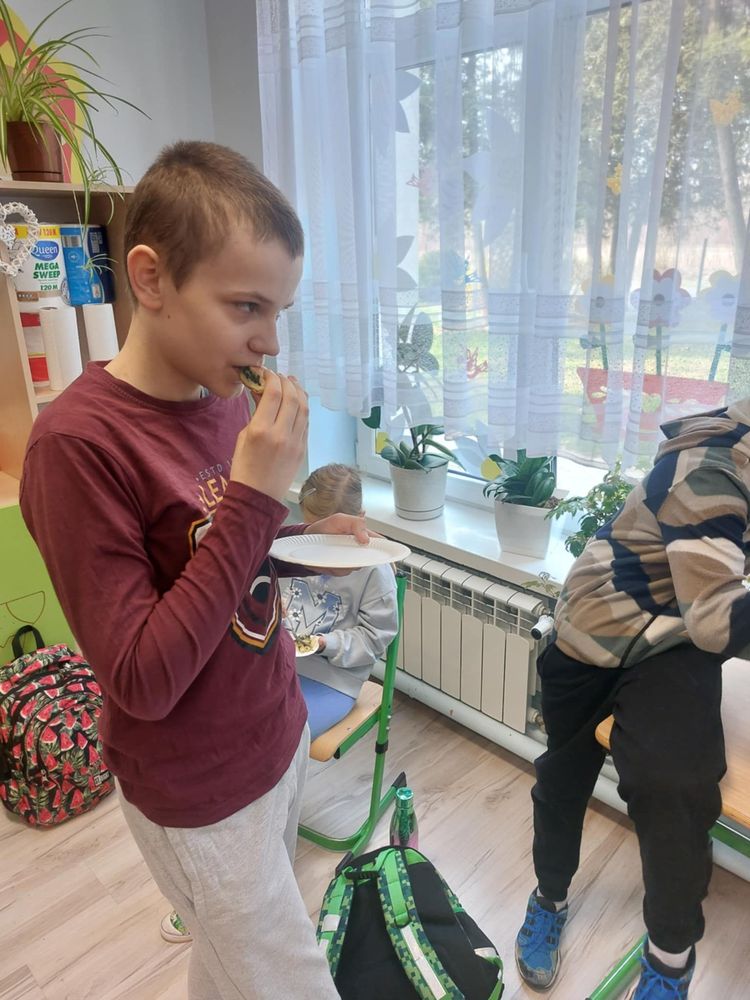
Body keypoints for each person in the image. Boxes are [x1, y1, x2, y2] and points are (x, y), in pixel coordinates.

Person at [19, 140, 371, 999]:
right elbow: (141, 678)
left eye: (279, 311)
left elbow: (225, 554)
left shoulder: (220, 403)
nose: (269, 341)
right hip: (199, 790)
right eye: (246, 305)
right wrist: (256, 495)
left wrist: (305, 538)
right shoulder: (76, 447)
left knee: (230, 966)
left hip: (276, 733)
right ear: (150, 279)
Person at [514, 402, 750, 998]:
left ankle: (669, 960)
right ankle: (549, 898)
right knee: (563, 779)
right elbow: (720, 621)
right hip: (595, 631)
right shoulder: (711, 469)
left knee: (675, 786)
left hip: (673, 638)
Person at [160, 462, 399, 944]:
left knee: (268, 747)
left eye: (328, 535)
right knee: (222, 730)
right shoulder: (292, 547)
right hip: (280, 661)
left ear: (356, 521)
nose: (318, 546)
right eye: (311, 528)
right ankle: (226, 876)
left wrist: (325, 643)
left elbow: (375, 640)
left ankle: (252, 879)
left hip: (334, 678)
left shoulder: (374, 570)